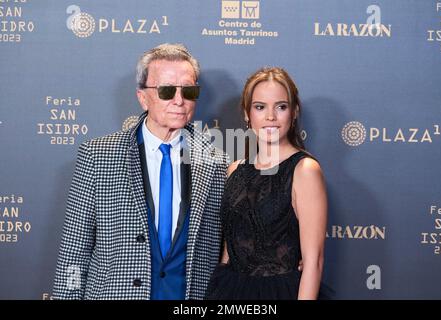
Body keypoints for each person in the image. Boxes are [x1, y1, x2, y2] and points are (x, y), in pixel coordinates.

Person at [53, 43, 228, 300]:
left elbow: (234, 241)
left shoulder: (217, 161)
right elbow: (73, 251)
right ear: (142, 97)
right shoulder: (98, 156)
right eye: (167, 91)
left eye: (188, 90)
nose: (179, 101)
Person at [206, 67, 328, 300]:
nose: (270, 116)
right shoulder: (235, 169)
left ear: (294, 112)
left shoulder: (304, 170)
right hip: (230, 291)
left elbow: (315, 261)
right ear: (247, 113)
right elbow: (229, 247)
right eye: (260, 107)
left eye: (281, 106)